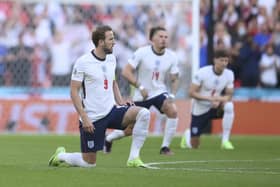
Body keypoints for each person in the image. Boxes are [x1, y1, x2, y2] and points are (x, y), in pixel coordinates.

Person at [48, 25, 151, 168]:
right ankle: (61, 156)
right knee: (89, 163)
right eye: (111, 39)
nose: (114, 42)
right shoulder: (83, 62)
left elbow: (112, 82)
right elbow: (73, 91)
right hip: (93, 118)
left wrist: (120, 102)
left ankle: (133, 158)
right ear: (101, 42)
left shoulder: (111, 59)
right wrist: (84, 117)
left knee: (143, 113)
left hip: (112, 111)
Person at [104, 26, 179, 155]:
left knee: (172, 110)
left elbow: (175, 78)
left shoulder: (172, 56)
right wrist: (141, 87)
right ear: (152, 39)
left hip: (159, 92)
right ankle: (109, 139)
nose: (164, 39)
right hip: (141, 94)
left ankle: (165, 147)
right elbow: (126, 72)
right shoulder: (142, 52)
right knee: (129, 129)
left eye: (166, 37)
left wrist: (172, 95)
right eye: (160, 36)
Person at [180, 49, 235, 150]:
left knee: (229, 106)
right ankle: (188, 135)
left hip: (215, 107)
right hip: (200, 109)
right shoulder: (202, 72)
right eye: (221, 60)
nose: (224, 63)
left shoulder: (229, 74)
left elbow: (229, 95)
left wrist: (219, 99)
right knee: (194, 146)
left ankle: (225, 140)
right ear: (215, 60)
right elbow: (191, 93)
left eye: (226, 61)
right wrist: (210, 99)